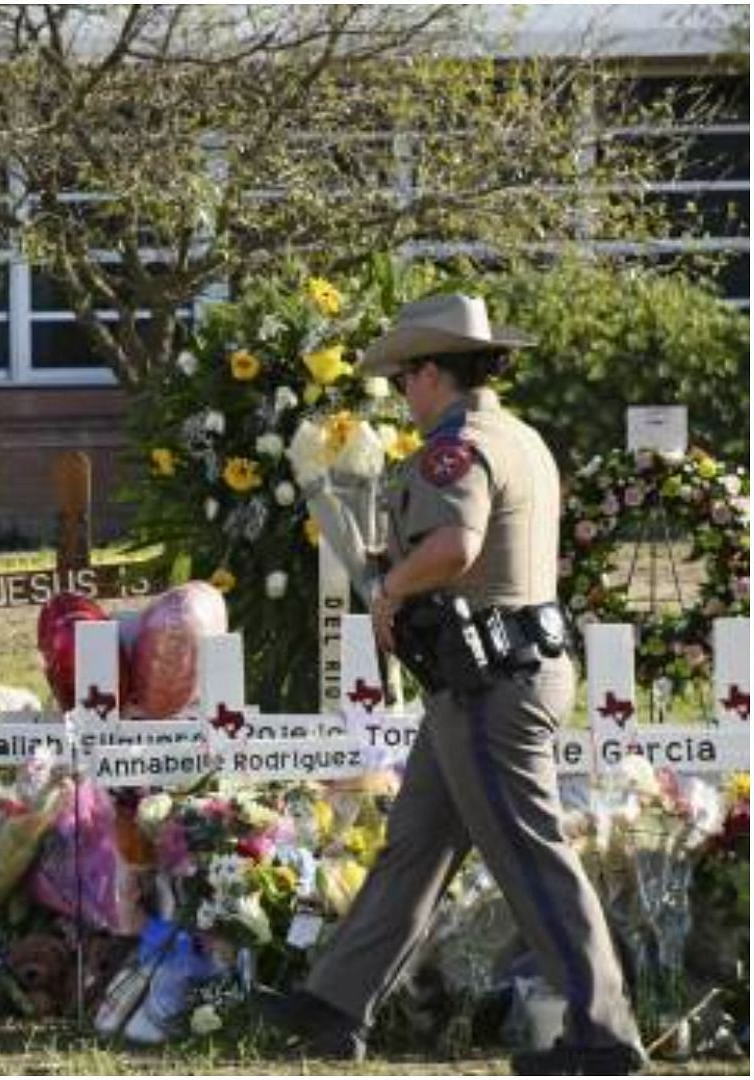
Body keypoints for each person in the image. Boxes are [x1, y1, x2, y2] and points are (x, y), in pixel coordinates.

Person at [260, 295, 645, 1075]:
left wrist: (391, 589)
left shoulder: (455, 447)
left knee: (527, 852)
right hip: (500, 669)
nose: (404, 393)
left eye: (407, 378)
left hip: (488, 684)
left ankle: (603, 1036)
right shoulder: (521, 437)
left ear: (434, 372)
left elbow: (456, 544)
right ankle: (334, 1003)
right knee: (419, 843)